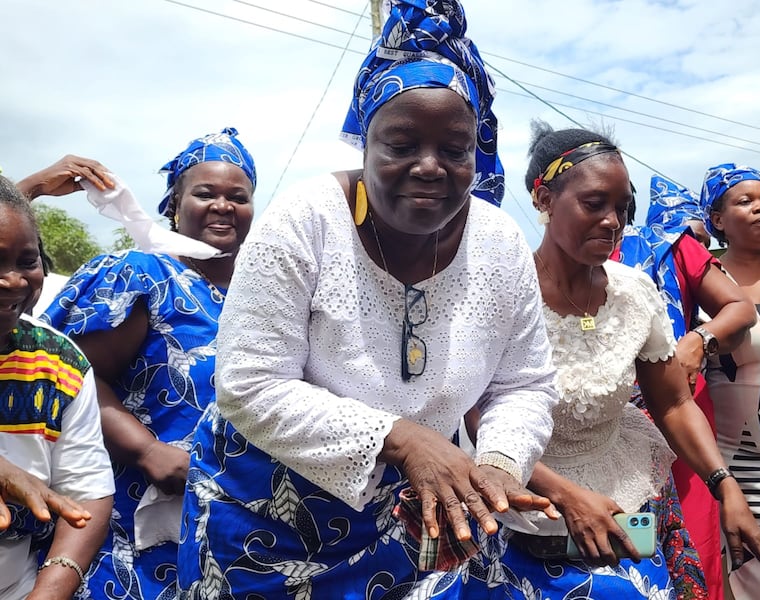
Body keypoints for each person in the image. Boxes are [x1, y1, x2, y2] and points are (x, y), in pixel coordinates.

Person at [177, 2, 559, 598]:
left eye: (456, 149)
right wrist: (402, 438)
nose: (430, 167)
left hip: (419, 519)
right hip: (265, 522)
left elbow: (523, 384)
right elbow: (249, 384)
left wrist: (499, 464)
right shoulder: (304, 223)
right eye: (401, 144)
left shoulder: (501, 243)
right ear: (364, 142)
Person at [472, 124, 760, 599]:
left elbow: (673, 403)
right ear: (543, 198)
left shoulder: (633, 291)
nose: (612, 221)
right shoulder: (498, 289)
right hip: (520, 508)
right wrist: (565, 496)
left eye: (622, 207)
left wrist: (725, 488)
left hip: (625, 502)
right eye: (594, 204)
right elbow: (479, 417)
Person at [40, 127, 257, 599]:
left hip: (228, 529)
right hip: (128, 522)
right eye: (205, 193)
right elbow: (71, 374)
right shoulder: (147, 275)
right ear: (174, 207)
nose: (223, 205)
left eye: (237, 196)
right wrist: (146, 450)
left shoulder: (258, 297)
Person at [613, 175, 757, 599]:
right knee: (623, 553)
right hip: (598, 436)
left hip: (679, 421)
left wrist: (698, 338)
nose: (607, 217)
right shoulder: (540, 269)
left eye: (617, 203)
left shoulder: (670, 245)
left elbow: (738, 308)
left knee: (693, 547)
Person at [0, 175, 114, 600]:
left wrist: (48, 591)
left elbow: (87, 494)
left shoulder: (57, 362)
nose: (13, 281)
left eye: (27, 261)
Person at [700, 163, 760, 598]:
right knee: (757, 578)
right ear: (718, 220)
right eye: (746, 201)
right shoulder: (700, 283)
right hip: (737, 465)